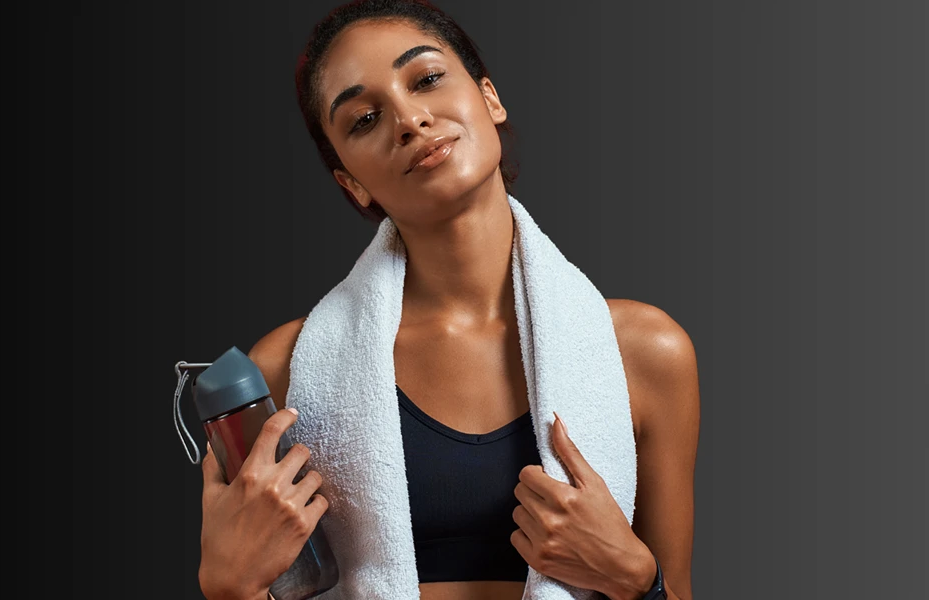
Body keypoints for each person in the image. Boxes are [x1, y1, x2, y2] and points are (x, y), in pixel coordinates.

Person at [197, 1, 699, 599]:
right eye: (363, 119)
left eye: (427, 79)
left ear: (489, 98)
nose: (409, 120)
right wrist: (228, 588)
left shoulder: (642, 352)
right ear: (351, 182)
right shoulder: (286, 368)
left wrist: (636, 579)